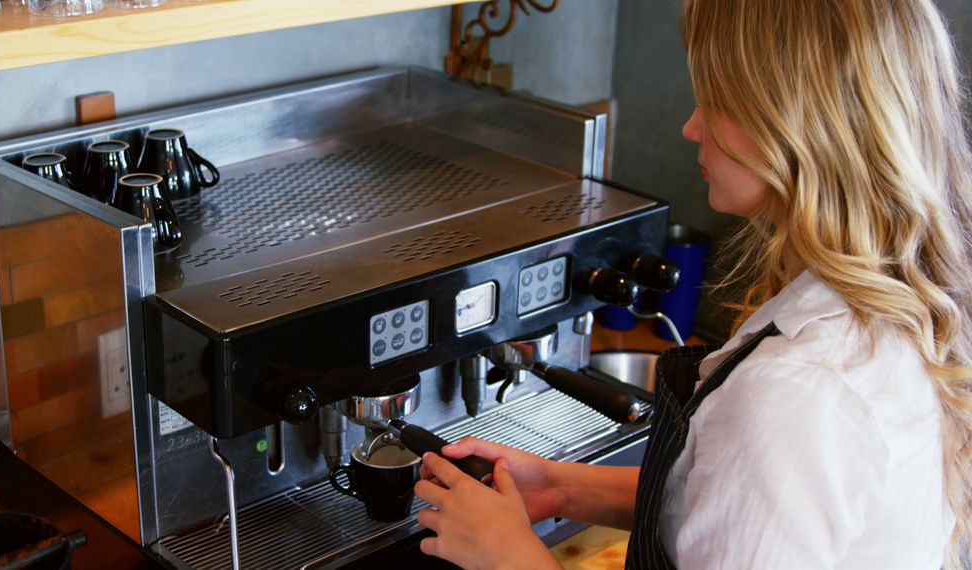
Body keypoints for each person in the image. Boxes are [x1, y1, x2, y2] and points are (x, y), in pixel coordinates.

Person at [414, 0, 972, 568]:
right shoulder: (890, 307)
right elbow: (734, 507)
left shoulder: (797, 397)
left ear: (801, 123)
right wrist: (561, 488)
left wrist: (506, 555)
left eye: (717, 100)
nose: (691, 125)